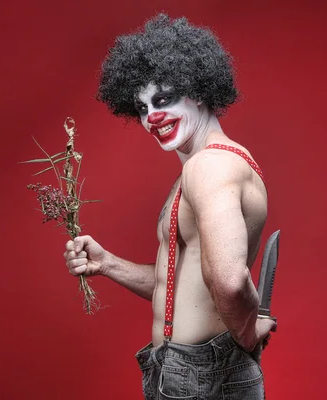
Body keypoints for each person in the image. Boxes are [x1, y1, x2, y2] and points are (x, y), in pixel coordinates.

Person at [64, 14, 277, 400]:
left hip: (204, 374)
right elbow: (187, 287)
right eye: (143, 108)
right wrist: (107, 263)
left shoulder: (210, 166)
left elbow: (228, 282)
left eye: (163, 99)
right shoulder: (199, 169)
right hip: (186, 372)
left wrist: (247, 332)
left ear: (196, 90)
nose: (153, 118)